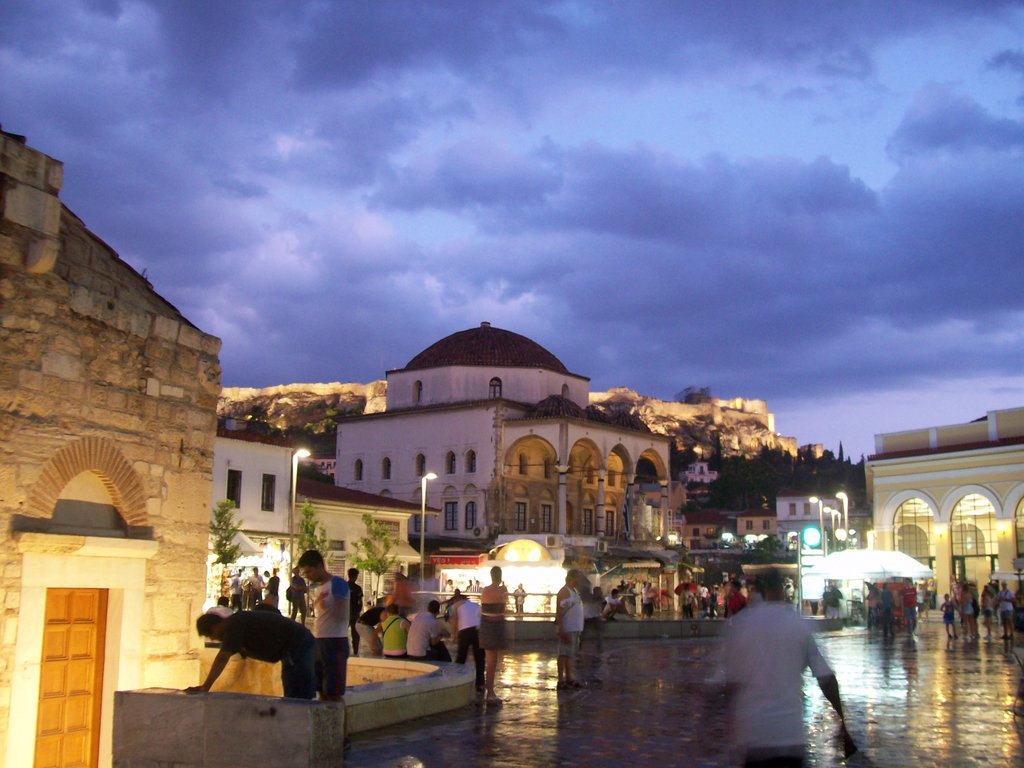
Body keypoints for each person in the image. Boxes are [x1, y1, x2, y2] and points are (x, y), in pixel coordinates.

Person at [723, 569, 856, 766]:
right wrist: (844, 725)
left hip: (754, 737)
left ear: (757, 592)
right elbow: (826, 679)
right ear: (781, 590)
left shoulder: (742, 625)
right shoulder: (798, 624)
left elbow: (730, 684)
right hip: (790, 736)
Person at [185, 609, 316, 699]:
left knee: (297, 690)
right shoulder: (236, 624)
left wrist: (205, 686)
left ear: (215, 626)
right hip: (293, 647)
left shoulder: (234, 625)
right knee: (293, 688)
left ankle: (298, 725)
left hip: (297, 644)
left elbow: (222, 658)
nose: (213, 639)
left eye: (210, 634)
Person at [297, 549, 350, 700]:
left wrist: (329, 608)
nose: (307, 576)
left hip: (335, 640)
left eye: (309, 572)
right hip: (320, 640)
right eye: (305, 573)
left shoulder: (337, 583)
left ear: (319, 566)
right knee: (321, 689)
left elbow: (342, 613)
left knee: (334, 693)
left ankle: (339, 723)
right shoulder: (319, 588)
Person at [479, 565, 509, 703]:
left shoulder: (485, 590)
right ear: (500, 576)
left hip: (485, 625)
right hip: (495, 626)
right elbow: (504, 607)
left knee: (489, 661)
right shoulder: (502, 590)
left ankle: (488, 690)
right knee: (492, 662)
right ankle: (490, 692)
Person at [555, 569, 584, 690]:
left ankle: (569, 678)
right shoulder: (564, 591)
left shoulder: (574, 591)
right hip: (567, 627)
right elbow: (559, 610)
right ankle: (561, 679)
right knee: (563, 654)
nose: (579, 580)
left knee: (569, 654)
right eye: (577, 577)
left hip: (574, 627)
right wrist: (561, 628)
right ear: (572, 578)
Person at [451, 592, 485, 692]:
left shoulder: (456, 605)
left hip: (465, 631)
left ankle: (458, 681)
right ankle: (480, 684)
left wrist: (453, 634)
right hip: (478, 631)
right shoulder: (475, 605)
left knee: (461, 657)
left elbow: (454, 620)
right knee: (479, 658)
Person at [347, 568, 364, 655]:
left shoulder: (344, 586)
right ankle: (355, 651)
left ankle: (342, 650)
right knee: (355, 634)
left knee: (342, 632)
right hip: (355, 613)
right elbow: (360, 601)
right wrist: (359, 610)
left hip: (346, 613)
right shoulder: (358, 588)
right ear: (355, 576)